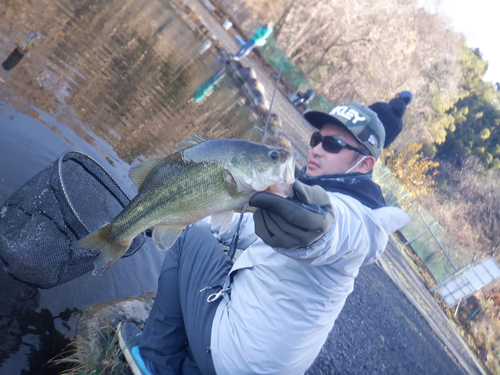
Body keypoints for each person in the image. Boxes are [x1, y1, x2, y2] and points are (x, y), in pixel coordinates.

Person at [118, 102, 409, 375]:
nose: (317, 150)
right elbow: (245, 227)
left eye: (333, 145)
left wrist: (314, 223)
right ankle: (194, 364)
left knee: (192, 240)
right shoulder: (318, 195)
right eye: (317, 139)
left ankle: (154, 360)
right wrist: (165, 216)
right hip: (262, 361)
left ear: (364, 165)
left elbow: (333, 229)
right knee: (203, 234)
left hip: (241, 361)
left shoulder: (357, 220)